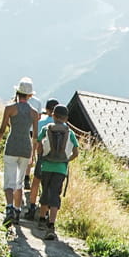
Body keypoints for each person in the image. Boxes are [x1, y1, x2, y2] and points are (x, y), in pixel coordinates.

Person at [0, 79, 40, 226]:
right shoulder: (34, 113)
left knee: (9, 181)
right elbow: (35, 137)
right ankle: (18, 211)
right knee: (19, 182)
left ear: (17, 92)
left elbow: (2, 129)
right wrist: (33, 155)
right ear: (30, 96)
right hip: (25, 148)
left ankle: (9, 209)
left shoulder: (10, 108)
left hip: (12, 145)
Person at [33, 103, 79, 241]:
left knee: (45, 190)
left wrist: (41, 157)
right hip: (61, 169)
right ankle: (51, 224)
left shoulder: (47, 129)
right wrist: (66, 160)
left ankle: (41, 219)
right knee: (55, 194)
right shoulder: (70, 133)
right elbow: (76, 152)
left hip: (46, 166)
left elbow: (39, 145)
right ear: (66, 118)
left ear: (53, 115)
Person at [26, 98, 60, 218]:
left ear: (46, 109)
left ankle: (31, 207)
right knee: (50, 187)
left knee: (36, 182)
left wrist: (33, 155)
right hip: (58, 163)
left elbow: (36, 141)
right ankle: (46, 213)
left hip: (43, 158)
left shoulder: (42, 123)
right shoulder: (64, 126)